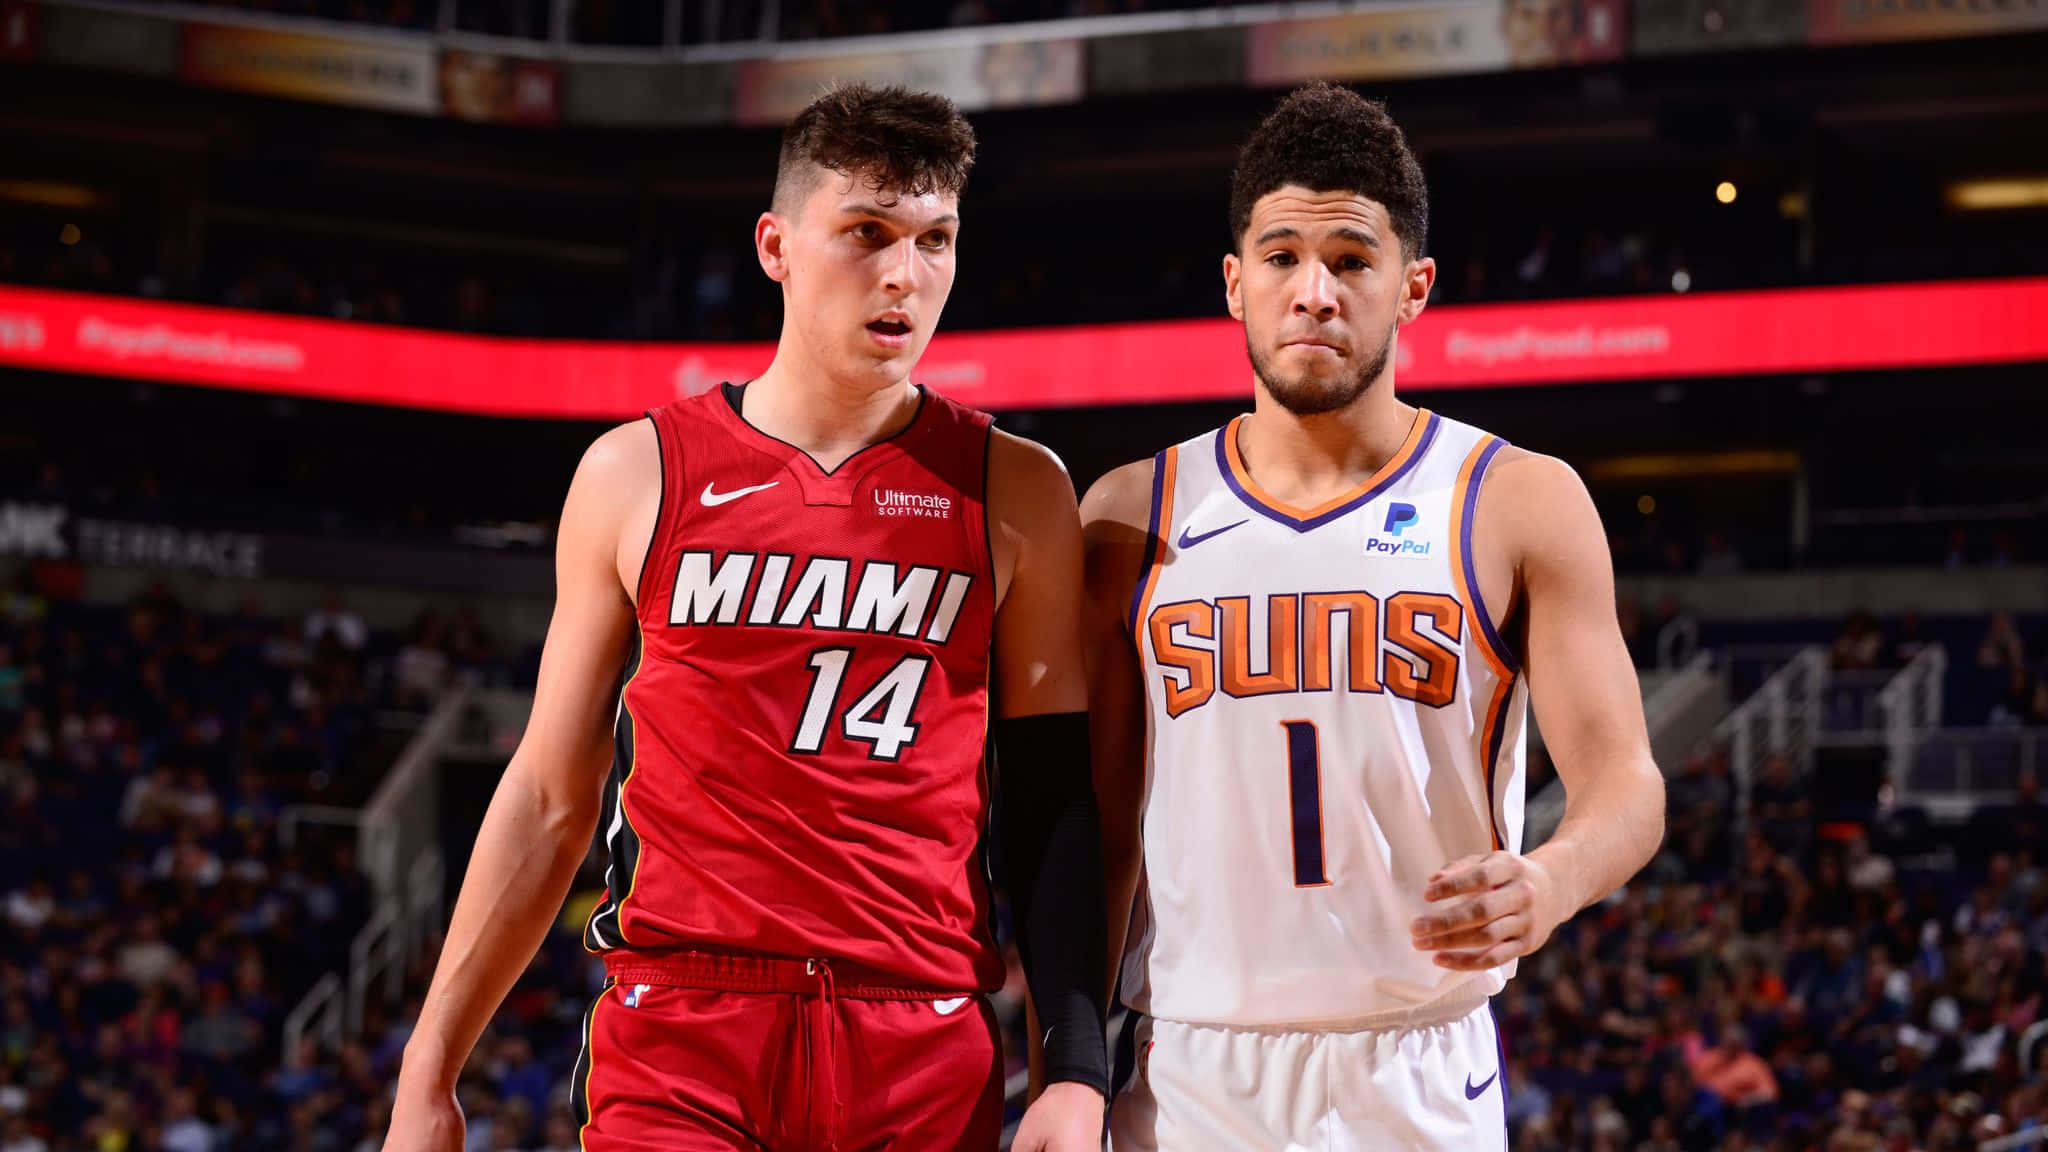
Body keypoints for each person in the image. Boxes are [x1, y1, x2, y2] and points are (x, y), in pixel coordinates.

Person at [383, 84, 1107, 1152]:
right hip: (680, 1028)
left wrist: (1071, 1071)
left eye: (935, 240)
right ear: (774, 245)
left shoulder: (1016, 488)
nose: (904, 275)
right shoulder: (635, 472)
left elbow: (1048, 806)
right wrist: (427, 1066)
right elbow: (547, 792)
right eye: (865, 234)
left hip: (915, 1031)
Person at [1082, 82, 1665, 1151]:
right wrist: (1068, 1065)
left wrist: (1551, 878)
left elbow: (1624, 779)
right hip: (1189, 1062)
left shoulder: (1515, 498)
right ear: (1232, 283)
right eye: (1280, 257)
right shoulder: (1128, 510)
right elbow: (1095, 827)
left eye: (1350, 260)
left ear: (1412, 287)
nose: (1313, 292)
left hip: (1418, 1054)